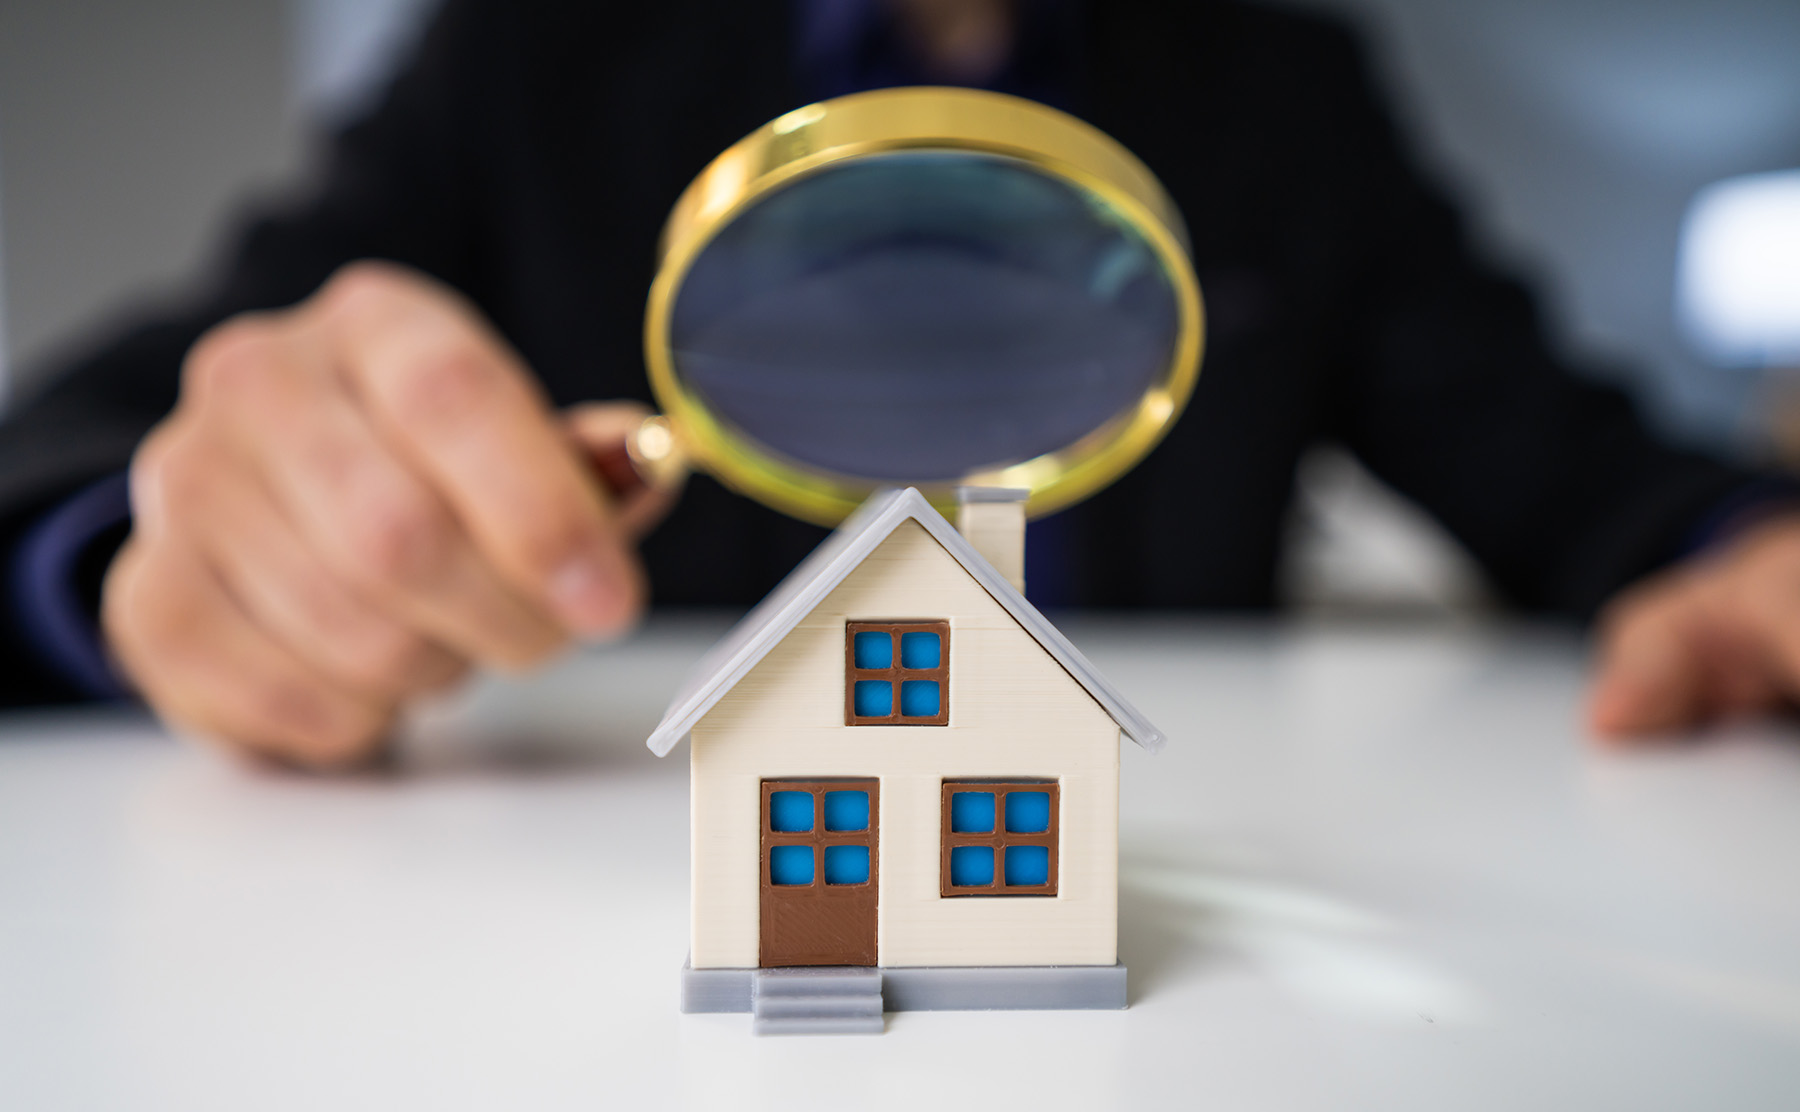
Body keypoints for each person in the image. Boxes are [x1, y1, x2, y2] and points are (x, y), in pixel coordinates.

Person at [0, 0, 1795, 764]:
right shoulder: (533, 49)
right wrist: (148, 554)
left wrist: (1745, 542)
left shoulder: (1283, 86)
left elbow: (1571, 468)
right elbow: (93, 440)